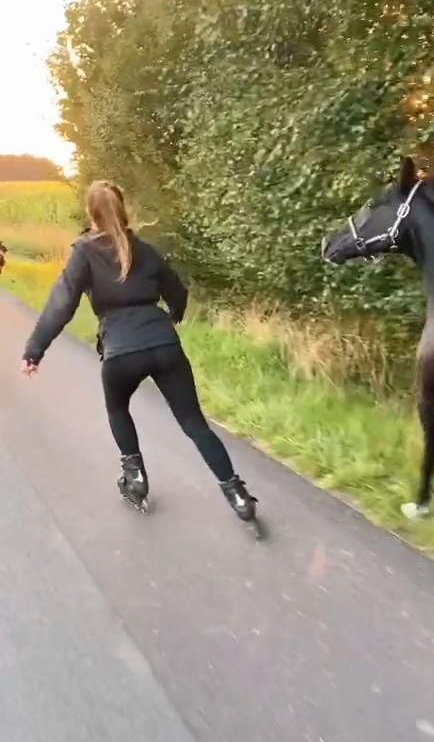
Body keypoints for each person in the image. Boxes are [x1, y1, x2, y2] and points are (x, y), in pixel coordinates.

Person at [21, 180, 258, 521]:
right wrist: (172, 317)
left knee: (118, 409)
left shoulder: (84, 253)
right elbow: (177, 291)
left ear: (91, 213)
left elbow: (61, 303)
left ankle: (136, 478)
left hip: (121, 353)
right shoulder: (145, 249)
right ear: (123, 208)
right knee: (194, 423)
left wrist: (34, 350)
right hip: (164, 345)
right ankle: (236, 494)